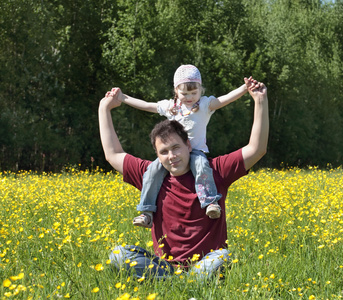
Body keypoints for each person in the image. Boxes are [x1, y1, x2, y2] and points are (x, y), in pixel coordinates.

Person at [98, 77, 268, 280]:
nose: (172, 156)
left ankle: (181, 282)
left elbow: (256, 149)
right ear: (157, 155)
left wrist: (260, 101)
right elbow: (112, 154)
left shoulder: (215, 171)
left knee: (222, 257)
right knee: (118, 255)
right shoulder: (150, 174)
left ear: (188, 146)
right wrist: (104, 109)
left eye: (176, 147)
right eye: (164, 151)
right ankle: (179, 282)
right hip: (164, 266)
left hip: (205, 263)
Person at [106, 65, 255, 228]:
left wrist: (244, 88)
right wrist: (122, 97)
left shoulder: (205, 105)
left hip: (196, 152)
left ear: (201, 89)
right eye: (185, 93)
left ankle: (210, 203)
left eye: (194, 92)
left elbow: (225, 99)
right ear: (176, 90)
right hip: (173, 153)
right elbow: (147, 105)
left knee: (201, 166)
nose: (189, 97)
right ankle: (146, 212)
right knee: (152, 172)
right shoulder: (171, 107)